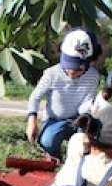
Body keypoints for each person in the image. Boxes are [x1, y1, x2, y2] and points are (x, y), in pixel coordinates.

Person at [26, 29, 102, 159]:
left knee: (90, 142)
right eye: (68, 65)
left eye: (77, 68)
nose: (71, 71)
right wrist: (32, 120)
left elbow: (86, 103)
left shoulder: (93, 76)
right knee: (48, 142)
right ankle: (55, 158)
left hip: (79, 120)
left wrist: (88, 115)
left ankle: (78, 161)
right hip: (54, 121)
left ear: (88, 63)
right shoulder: (51, 74)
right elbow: (35, 97)